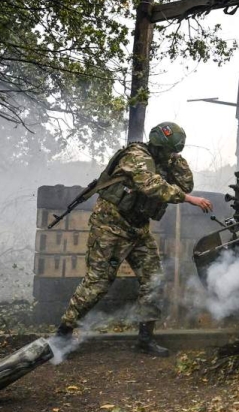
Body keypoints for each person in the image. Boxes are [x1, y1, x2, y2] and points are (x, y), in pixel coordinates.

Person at [55, 122, 213, 356]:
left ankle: (145, 339)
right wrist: (189, 199)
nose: (172, 155)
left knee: (154, 280)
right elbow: (151, 186)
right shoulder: (136, 156)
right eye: (169, 150)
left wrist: (176, 159)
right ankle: (62, 335)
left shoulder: (165, 161)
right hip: (111, 226)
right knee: (98, 283)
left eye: (175, 151)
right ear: (158, 146)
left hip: (138, 229)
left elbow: (186, 183)